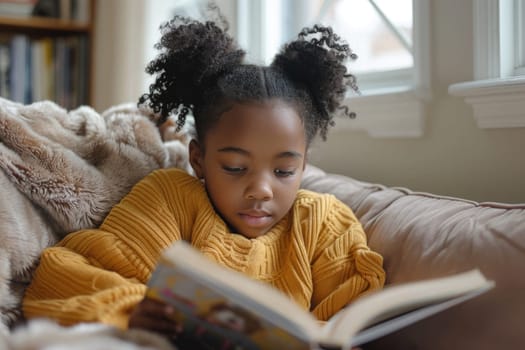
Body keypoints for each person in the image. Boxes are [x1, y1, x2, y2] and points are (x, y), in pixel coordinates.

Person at [22, 12, 385, 346]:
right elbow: (63, 275)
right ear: (198, 158)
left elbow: (350, 315)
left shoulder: (323, 223)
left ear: (303, 165)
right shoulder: (170, 199)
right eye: (235, 167)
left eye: (283, 172)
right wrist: (131, 310)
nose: (261, 189)